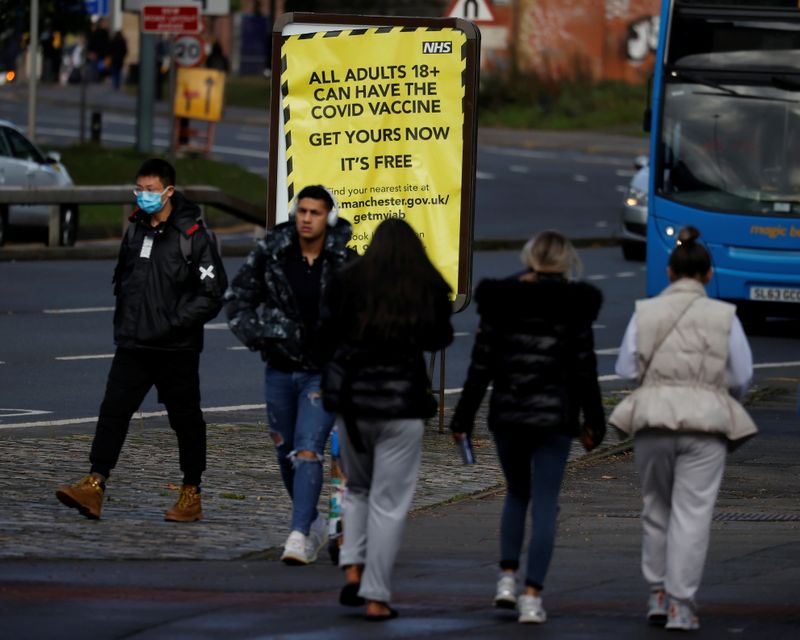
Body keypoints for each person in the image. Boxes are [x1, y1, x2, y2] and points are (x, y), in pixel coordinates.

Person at [56, 159, 228, 522]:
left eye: (150, 190)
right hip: (134, 343)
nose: (143, 195)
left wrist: (173, 323)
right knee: (113, 412)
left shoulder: (193, 235)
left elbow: (212, 294)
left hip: (175, 348)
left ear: (168, 191)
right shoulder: (136, 229)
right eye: (139, 188)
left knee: (186, 420)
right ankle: (95, 483)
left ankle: (191, 492)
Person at [450, 230, 605, 625]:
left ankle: (506, 577)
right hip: (555, 417)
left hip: (510, 414)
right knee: (546, 503)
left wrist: (463, 418)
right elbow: (585, 371)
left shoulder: (501, 299)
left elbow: (480, 367)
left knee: (517, 494)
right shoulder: (576, 304)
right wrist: (595, 422)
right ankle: (532, 595)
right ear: (566, 260)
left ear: (529, 257)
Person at [609, 225, 757, 631]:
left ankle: (656, 593)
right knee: (693, 513)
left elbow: (626, 367)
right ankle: (681, 604)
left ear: (669, 272)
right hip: (706, 422)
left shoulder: (645, 312)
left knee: (656, 506)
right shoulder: (725, 317)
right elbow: (741, 375)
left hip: (654, 418)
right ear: (709, 274)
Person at [323, 218, 453, 621]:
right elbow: (440, 337)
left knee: (357, 489)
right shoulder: (422, 286)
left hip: (355, 402)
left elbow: (329, 332)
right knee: (389, 503)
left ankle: (352, 566)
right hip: (403, 404)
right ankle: (376, 595)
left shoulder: (349, 280)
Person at [225, 185, 355, 565]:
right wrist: (259, 335)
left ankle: (298, 535)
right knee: (286, 452)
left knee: (308, 449)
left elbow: (362, 312)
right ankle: (312, 521)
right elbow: (238, 298)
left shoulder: (345, 260)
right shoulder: (273, 252)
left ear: (329, 217)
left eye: (315, 212)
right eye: (302, 211)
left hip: (322, 374)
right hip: (280, 368)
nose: (307, 218)